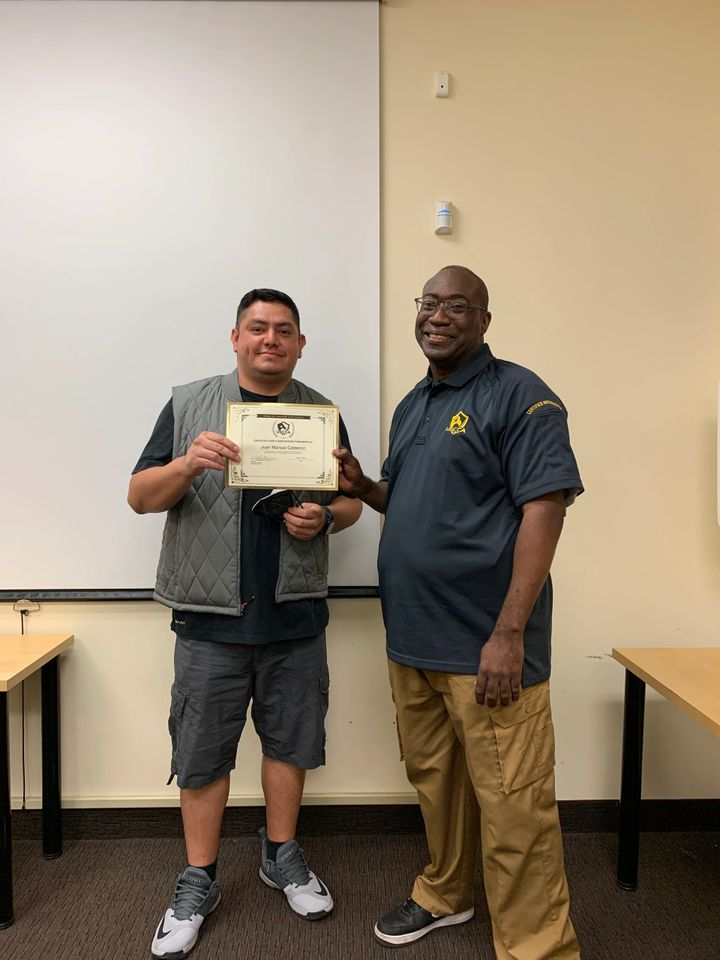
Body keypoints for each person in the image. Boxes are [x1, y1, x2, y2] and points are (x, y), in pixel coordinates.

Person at [334, 266, 583, 960]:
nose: (438, 317)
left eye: (458, 307)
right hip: (413, 639)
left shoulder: (522, 395)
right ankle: (447, 892)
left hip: (487, 648)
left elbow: (546, 506)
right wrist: (367, 489)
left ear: (484, 321)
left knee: (515, 808)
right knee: (437, 784)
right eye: (429, 304)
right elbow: (419, 502)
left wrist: (508, 634)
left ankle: (537, 948)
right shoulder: (414, 404)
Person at [128, 288, 362, 959]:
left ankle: (280, 854)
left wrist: (325, 518)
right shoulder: (190, 405)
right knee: (202, 754)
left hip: (294, 616)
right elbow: (140, 497)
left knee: (290, 744)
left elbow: (349, 502)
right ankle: (198, 877)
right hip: (209, 622)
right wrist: (184, 463)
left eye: (283, 330)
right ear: (235, 337)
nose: (270, 340)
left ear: (299, 343)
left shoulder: (321, 415)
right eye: (257, 328)